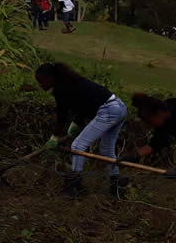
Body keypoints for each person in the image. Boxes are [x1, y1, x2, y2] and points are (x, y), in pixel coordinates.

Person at [34, 62, 127, 198]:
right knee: (106, 150)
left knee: (78, 146)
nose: (40, 85)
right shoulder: (71, 83)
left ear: (51, 78)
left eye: (41, 81)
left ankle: (75, 187)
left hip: (108, 110)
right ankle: (117, 184)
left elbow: (62, 116)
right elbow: (84, 104)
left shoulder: (61, 89)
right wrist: (77, 123)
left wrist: (54, 137)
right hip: (118, 106)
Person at [125, 94, 176, 179]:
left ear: (158, 114)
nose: (148, 126)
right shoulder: (166, 115)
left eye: (149, 122)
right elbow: (157, 141)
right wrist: (134, 156)